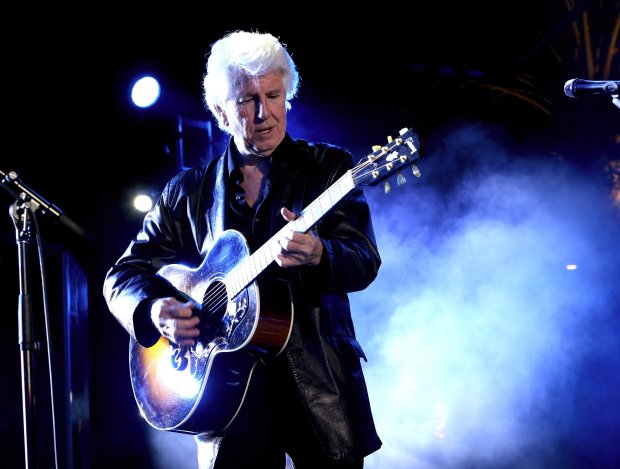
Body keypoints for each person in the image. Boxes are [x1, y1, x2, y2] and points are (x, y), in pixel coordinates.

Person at [103, 30, 382, 469]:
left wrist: (320, 253)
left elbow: (364, 259)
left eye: (273, 95)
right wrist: (155, 311)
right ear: (220, 111)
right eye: (246, 100)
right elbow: (122, 275)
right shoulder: (188, 191)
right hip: (224, 399)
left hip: (319, 385)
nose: (263, 113)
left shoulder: (329, 168)